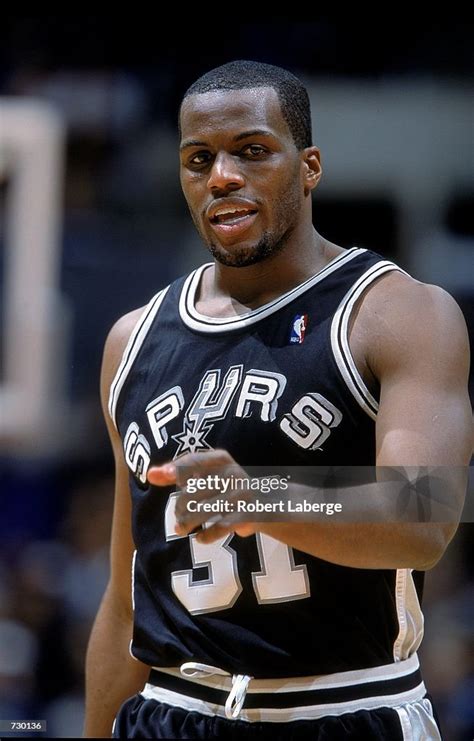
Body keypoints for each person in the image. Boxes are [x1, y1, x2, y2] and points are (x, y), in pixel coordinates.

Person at [84, 60, 471, 739]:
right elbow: (124, 603)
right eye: (198, 159)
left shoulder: (398, 313)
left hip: (347, 707)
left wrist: (259, 496)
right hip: (174, 709)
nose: (222, 176)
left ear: (310, 166)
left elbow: (425, 512)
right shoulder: (132, 339)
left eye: (252, 151)